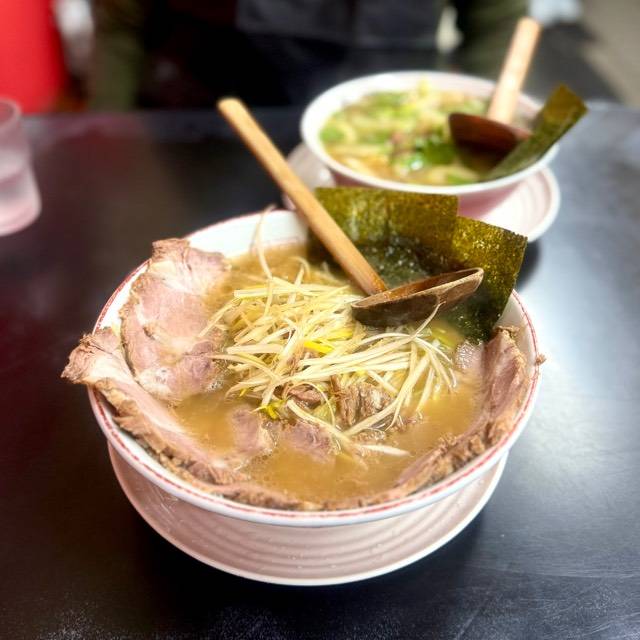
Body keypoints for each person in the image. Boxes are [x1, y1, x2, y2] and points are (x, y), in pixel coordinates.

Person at [90, 0, 527, 109]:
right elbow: (121, 23)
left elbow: (497, 16)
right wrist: (105, 131)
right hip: (204, 130)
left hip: (399, 120)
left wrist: (486, 118)